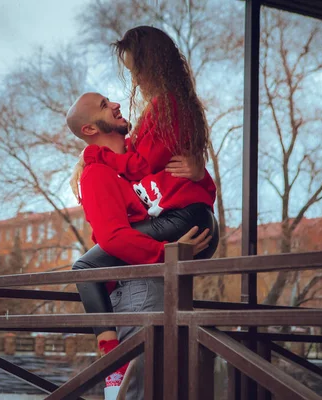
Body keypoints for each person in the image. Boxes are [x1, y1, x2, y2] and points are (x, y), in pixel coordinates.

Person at [67, 93, 219, 399]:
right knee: (144, 388)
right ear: (90, 130)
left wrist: (199, 173)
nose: (116, 105)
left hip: (162, 284)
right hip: (138, 287)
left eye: (110, 100)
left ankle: (116, 372)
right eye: (103, 106)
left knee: (166, 386)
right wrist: (167, 254)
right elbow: (111, 236)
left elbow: (180, 195)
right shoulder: (98, 174)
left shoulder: (137, 162)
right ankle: (113, 369)